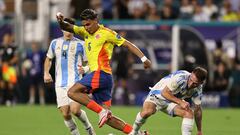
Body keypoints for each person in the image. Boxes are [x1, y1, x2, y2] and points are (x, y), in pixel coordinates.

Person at [56, 9, 151, 135]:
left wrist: (144, 59)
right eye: (84, 25)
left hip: (100, 74)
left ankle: (101, 112)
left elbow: (128, 44)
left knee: (72, 92)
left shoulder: (107, 33)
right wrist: (60, 20)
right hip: (105, 79)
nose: (86, 27)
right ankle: (137, 134)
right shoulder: (84, 31)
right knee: (108, 119)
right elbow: (66, 27)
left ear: (96, 21)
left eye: (88, 24)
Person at [44, 18, 95, 135]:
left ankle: (88, 128)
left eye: (71, 28)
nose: (69, 31)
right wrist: (46, 73)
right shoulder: (55, 43)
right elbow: (48, 59)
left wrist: (86, 69)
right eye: (66, 27)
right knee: (66, 113)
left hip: (76, 82)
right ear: (62, 29)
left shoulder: (81, 44)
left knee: (75, 110)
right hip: (60, 84)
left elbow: (90, 63)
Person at [129, 67, 207, 135]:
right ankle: (134, 132)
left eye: (195, 84)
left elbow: (198, 110)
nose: (190, 84)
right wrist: (180, 102)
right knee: (147, 112)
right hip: (159, 94)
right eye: (191, 80)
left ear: (201, 83)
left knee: (189, 113)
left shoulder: (198, 90)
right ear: (191, 74)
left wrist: (199, 130)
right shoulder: (180, 78)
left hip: (171, 100)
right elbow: (164, 93)